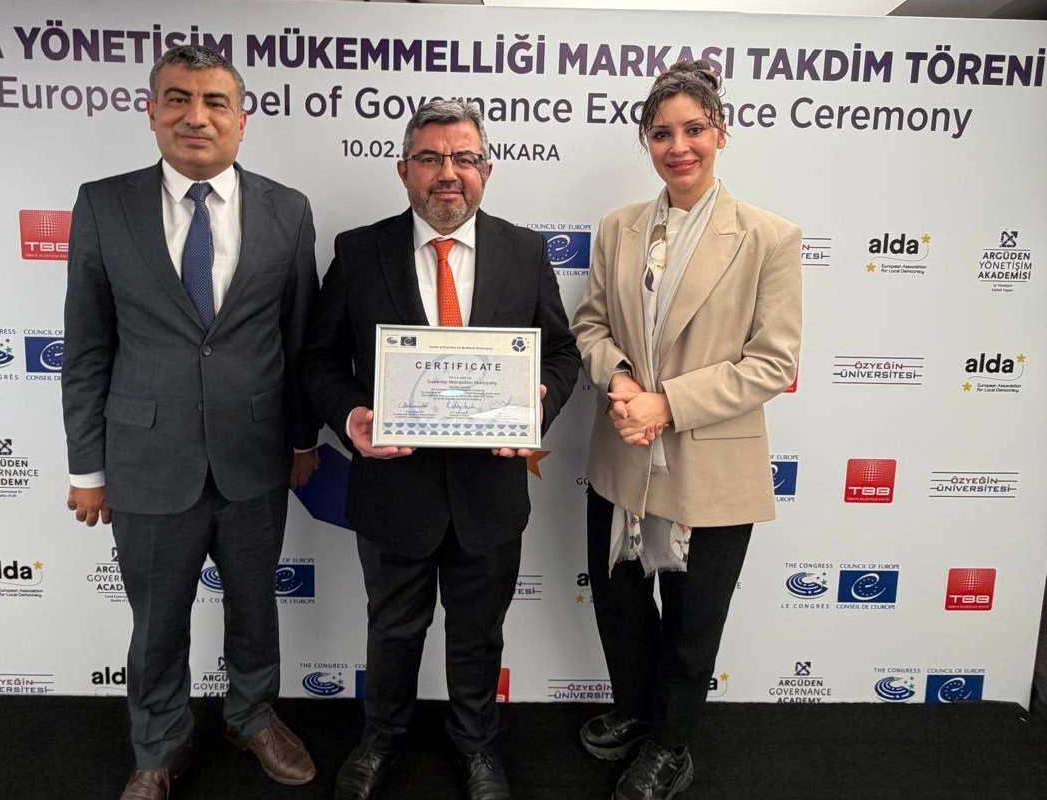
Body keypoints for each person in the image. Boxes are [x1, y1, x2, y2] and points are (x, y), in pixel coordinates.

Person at [61, 45, 321, 800]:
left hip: (256, 455)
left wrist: (303, 438)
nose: (195, 117)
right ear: (151, 112)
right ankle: (157, 745)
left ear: (242, 120)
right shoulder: (103, 205)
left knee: (255, 605)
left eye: (214, 102)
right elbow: (86, 347)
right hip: (145, 459)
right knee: (157, 619)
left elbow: (300, 338)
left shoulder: (288, 209)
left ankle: (252, 716)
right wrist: (87, 469)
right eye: (177, 99)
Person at [301, 99, 580, 800]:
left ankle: (477, 745)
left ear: (487, 169)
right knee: (393, 629)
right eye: (430, 158)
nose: (447, 173)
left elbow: (563, 354)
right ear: (404, 171)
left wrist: (538, 404)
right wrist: (352, 415)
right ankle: (381, 737)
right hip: (393, 490)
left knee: (479, 635)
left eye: (464, 158)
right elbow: (318, 360)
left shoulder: (525, 251)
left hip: (490, 492)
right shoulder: (359, 252)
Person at [570, 60, 802, 800]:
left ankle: (671, 745)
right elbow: (591, 325)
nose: (679, 147)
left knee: (693, 621)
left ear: (720, 132)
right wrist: (620, 382)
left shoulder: (768, 237)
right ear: (646, 141)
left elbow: (773, 363)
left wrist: (666, 403)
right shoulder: (619, 228)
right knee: (621, 607)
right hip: (622, 453)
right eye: (661, 133)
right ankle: (639, 712)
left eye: (693, 129)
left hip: (710, 465)